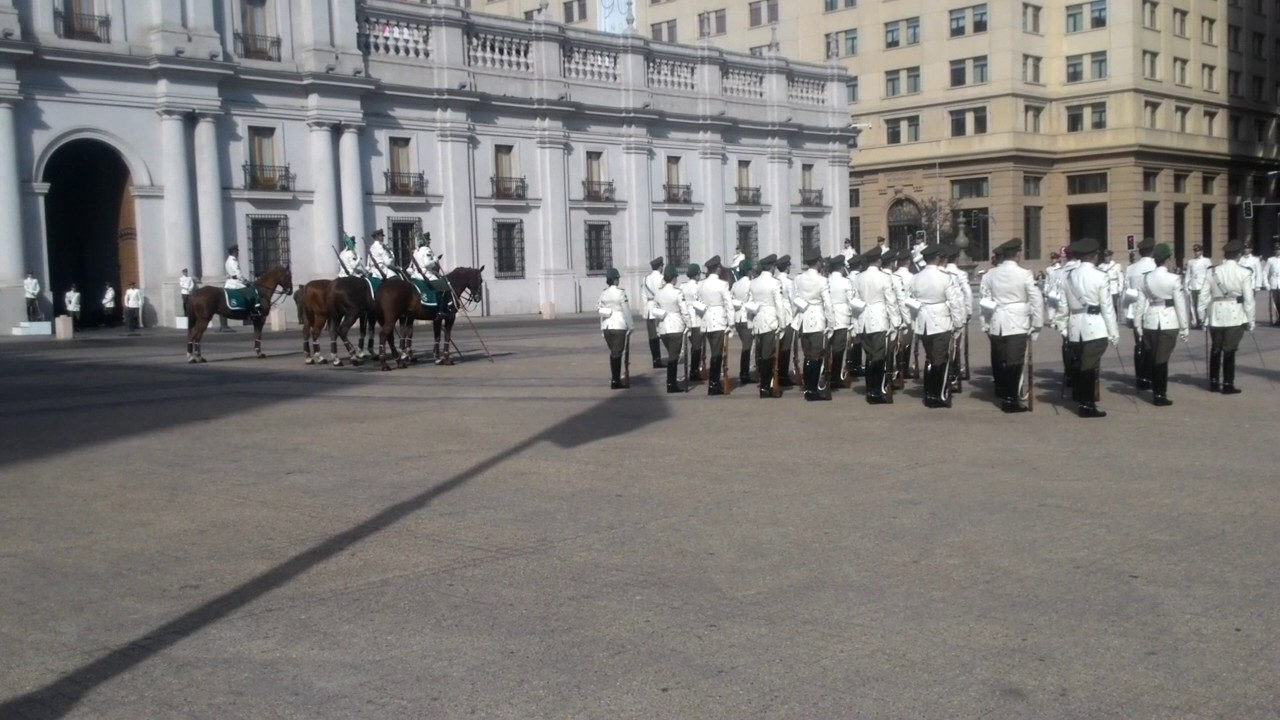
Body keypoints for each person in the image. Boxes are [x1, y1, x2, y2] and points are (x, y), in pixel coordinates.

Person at [1054, 238, 1119, 418]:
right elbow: (1107, 308)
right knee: (1089, 367)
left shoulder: (1068, 276)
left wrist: (1063, 327)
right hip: (1095, 326)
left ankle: (1081, 398)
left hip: (1075, 326)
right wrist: (1113, 332)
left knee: (1081, 364)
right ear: (1094, 256)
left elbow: (1062, 306)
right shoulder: (1100, 276)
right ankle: (1087, 404)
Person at [980, 239, 1044, 413]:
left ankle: (1004, 393)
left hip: (997, 322)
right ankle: (1011, 399)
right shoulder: (1024, 274)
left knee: (1001, 361)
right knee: (1014, 362)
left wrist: (985, 323)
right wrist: (1037, 324)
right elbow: (1036, 299)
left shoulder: (990, 274)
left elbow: (984, 301)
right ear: (1018, 254)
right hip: (1017, 323)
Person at [911, 245, 968, 408]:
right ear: (937, 258)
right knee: (941, 360)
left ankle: (929, 393)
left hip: (923, 323)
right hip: (941, 322)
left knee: (930, 358)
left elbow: (910, 300)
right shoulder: (944, 277)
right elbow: (955, 302)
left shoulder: (916, 278)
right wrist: (958, 323)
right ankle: (940, 394)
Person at [1198, 239, 1256, 394]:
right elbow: (1249, 300)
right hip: (1235, 314)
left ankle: (1214, 382)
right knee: (1230, 350)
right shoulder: (1244, 272)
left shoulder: (1212, 271)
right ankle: (1228, 384)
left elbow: (1203, 295)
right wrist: (1251, 320)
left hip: (1216, 313)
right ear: (1238, 255)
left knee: (1216, 348)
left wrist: (1201, 315)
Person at [1134, 243, 1189, 406]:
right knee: (1162, 359)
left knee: (1154, 357)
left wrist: (1138, 323)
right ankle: (1160, 395)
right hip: (1168, 321)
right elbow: (1180, 305)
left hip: (1150, 320)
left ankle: (1157, 392)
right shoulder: (1174, 279)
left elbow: (1140, 303)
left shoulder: (1146, 278)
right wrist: (1184, 327)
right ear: (1167, 258)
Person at [853, 245, 902, 404]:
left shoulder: (859, 278)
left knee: (869, 356)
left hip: (864, 320)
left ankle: (870, 389)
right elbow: (891, 302)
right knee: (879, 356)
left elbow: (855, 301)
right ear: (879, 260)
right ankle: (878, 390)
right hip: (880, 320)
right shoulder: (884, 278)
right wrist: (896, 322)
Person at [793, 249, 833, 401]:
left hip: (803, 319)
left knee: (808, 356)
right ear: (818, 262)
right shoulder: (822, 280)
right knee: (816, 356)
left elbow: (794, 299)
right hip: (817, 319)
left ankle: (808, 388)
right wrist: (831, 323)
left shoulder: (798, 279)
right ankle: (814, 389)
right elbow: (828, 304)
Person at [747, 254, 787, 398]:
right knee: (768, 355)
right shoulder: (775, 283)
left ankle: (765, 384)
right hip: (770, 320)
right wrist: (782, 324)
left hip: (758, 320)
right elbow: (779, 305)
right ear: (771, 267)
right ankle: (765, 386)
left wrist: (751, 324)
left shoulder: (754, 282)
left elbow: (750, 304)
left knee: (762, 353)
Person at [1122, 237, 1158, 390]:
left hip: (1135, 310)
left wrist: (1126, 314)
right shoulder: (1156, 266)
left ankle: (1140, 378)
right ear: (1152, 251)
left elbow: (1126, 294)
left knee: (1139, 344)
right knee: (1153, 345)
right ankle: (1151, 376)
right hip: (1152, 308)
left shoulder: (1131, 269)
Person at [649, 263, 689, 394]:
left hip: (663, 328)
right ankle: (671, 383)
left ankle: (671, 382)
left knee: (672, 355)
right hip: (676, 326)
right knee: (674, 356)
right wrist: (689, 324)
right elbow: (684, 311)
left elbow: (654, 309)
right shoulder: (677, 292)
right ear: (673, 278)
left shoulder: (659, 293)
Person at [696, 256, 733, 395]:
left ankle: (714, 382)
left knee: (713, 353)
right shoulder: (722, 284)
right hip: (718, 321)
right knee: (717, 354)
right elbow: (728, 305)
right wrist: (731, 323)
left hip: (706, 321)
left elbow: (697, 302)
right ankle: (713, 384)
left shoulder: (701, 284)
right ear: (717, 268)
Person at [596, 267, 633, 390]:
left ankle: (615, 378)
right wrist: (631, 326)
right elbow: (626, 311)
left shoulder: (603, 293)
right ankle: (615, 380)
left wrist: (602, 329)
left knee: (614, 353)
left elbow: (600, 310)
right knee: (617, 353)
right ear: (616, 280)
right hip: (619, 325)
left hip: (606, 326)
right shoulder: (621, 293)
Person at [826, 255, 856, 393]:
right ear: (842, 267)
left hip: (827, 317)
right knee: (839, 349)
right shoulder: (846, 282)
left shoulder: (826, 281)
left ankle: (827, 375)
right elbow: (850, 301)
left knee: (827, 349)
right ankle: (835, 377)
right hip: (842, 317)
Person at [890, 249, 916, 383]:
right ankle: (904, 368)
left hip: (895, 312)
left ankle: (897, 367)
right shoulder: (912, 277)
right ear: (908, 262)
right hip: (908, 312)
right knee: (906, 343)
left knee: (895, 342)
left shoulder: (893, 276)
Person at [731, 258, 756, 386]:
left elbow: (731, 300)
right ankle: (744, 373)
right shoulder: (751, 284)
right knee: (747, 347)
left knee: (747, 345)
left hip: (738, 319)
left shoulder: (735, 284)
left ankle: (747, 371)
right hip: (747, 318)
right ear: (750, 271)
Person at [680, 263, 706, 383]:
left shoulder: (682, 286)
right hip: (696, 318)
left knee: (694, 346)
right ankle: (694, 371)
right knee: (697, 347)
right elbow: (701, 300)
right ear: (696, 275)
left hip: (686, 319)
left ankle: (694, 369)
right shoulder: (697, 286)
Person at [774, 254, 797, 386]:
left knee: (777, 347)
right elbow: (793, 302)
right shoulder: (789, 282)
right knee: (786, 348)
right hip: (787, 316)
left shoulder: (775, 279)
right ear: (786, 267)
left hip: (776, 316)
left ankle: (776, 373)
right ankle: (782, 375)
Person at [224, 246, 262, 316]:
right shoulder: (234, 261)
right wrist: (245, 281)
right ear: (234, 252)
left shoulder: (227, 261)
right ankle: (254, 310)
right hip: (236, 283)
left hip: (229, 282)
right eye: (237, 252)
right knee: (251, 290)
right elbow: (238, 274)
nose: (238, 253)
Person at [642, 256, 665, 368]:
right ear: (660, 266)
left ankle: (655, 359)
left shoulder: (645, 279)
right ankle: (660, 359)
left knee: (652, 337)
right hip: (659, 308)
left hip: (649, 309)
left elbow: (643, 297)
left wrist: (645, 310)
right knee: (663, 333)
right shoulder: (662, 278)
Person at [1185, 244, 1212, 329]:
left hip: (1203, 285)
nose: (1197, 253)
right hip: (1193, 286)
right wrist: (1186, 286)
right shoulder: (1190, 262)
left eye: (1198, 251)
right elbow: (1188, 275)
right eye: (1195, 251)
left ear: (1201, 251)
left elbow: (1209, 274)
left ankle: (1204, 321)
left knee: (1203, 304)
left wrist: (1208, 286)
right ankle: (1195, 322)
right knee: (1193, 306)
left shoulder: (1206, 261)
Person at [1098, 249, 1123, 316]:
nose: (1107, 258)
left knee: (1113, 305)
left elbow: (1120, 278)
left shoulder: (1116, 266)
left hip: (1113, 288)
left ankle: (1115, 318)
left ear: (1111, 256)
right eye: (1106, 256)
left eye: (1108, 256)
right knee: (1105, 304)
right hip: (1104, 288)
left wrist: (1120, 289)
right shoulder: (1100, 266)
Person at [1267, 244, 1280, 326]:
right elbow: (1266, 272)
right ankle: (1278, 319)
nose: (1278, 251)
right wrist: (1266, 283)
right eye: (1277, 250)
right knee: (1276, 302)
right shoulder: (1270, 260)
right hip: (1274, 283)